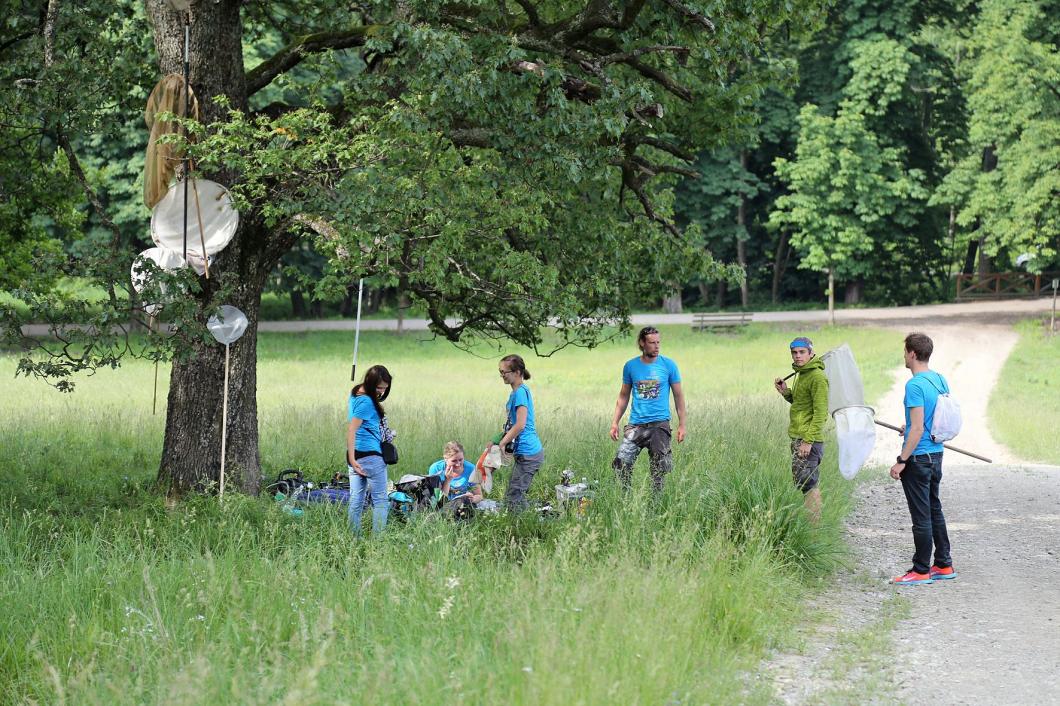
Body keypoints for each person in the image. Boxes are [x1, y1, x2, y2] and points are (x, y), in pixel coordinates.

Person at [888, 333, 956, 585]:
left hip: (918, 458)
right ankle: (943, 564)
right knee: (934, 510)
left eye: (905, 351)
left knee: (921, 516)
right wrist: (913, 427)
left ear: (913, 354)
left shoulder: (914, 385)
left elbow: (918, 429)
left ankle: (920, 570)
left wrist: (901, 459)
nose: (904, 356)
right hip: (936, 454)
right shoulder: (940, 380)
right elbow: (933, 420)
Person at [609, 326, 687, 493]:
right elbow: (623, 396)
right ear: (642, 343)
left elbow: (679, 396)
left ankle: (655, 504)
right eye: (652, 342)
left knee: (659, 469)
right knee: (621, 464)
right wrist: (615, 422)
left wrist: (682, 425)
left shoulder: (668, 365)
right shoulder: (630, 366)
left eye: (658, 342)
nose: (657, 346)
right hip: (636, 425)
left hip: (659, 425)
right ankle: (626, 498)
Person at [773, 336, 829, 523]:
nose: (797, 356)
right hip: (799, 438)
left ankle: (813, 531)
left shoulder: (817, 377)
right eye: (794, 353)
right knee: (803, 484)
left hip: (808, 441)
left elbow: (820, 413)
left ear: (811, 353)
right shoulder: (803, 374)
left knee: (809, 485)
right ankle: (809, 525)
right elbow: (801, 405)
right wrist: (786, 392)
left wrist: (807, 441)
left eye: (802, 352)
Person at [346, 365, 393, 535]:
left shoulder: (356, 395)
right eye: (379, 387)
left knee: (356, 500)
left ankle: (354, 538)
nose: (381, 392)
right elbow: (352, 429)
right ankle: (378, 541)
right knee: (381, 500)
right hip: (370, 456)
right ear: (371, 382)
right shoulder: (366, 402)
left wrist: (351, 458)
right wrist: (352, 459)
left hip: (356, 455)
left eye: (385, 388)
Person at [496, 354, 544, 510]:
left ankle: (522, 529)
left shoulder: (520, 393)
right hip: (524, 452)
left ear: (517, 372)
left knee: (513, 498)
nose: (502, 375)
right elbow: (511, 425)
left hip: (529, 453)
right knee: (516, 494)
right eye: (500, 372)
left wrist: (503, 443)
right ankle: (528, 519)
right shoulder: (517, 392)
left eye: (505, 372)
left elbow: (520, 425)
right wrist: (495, 440)